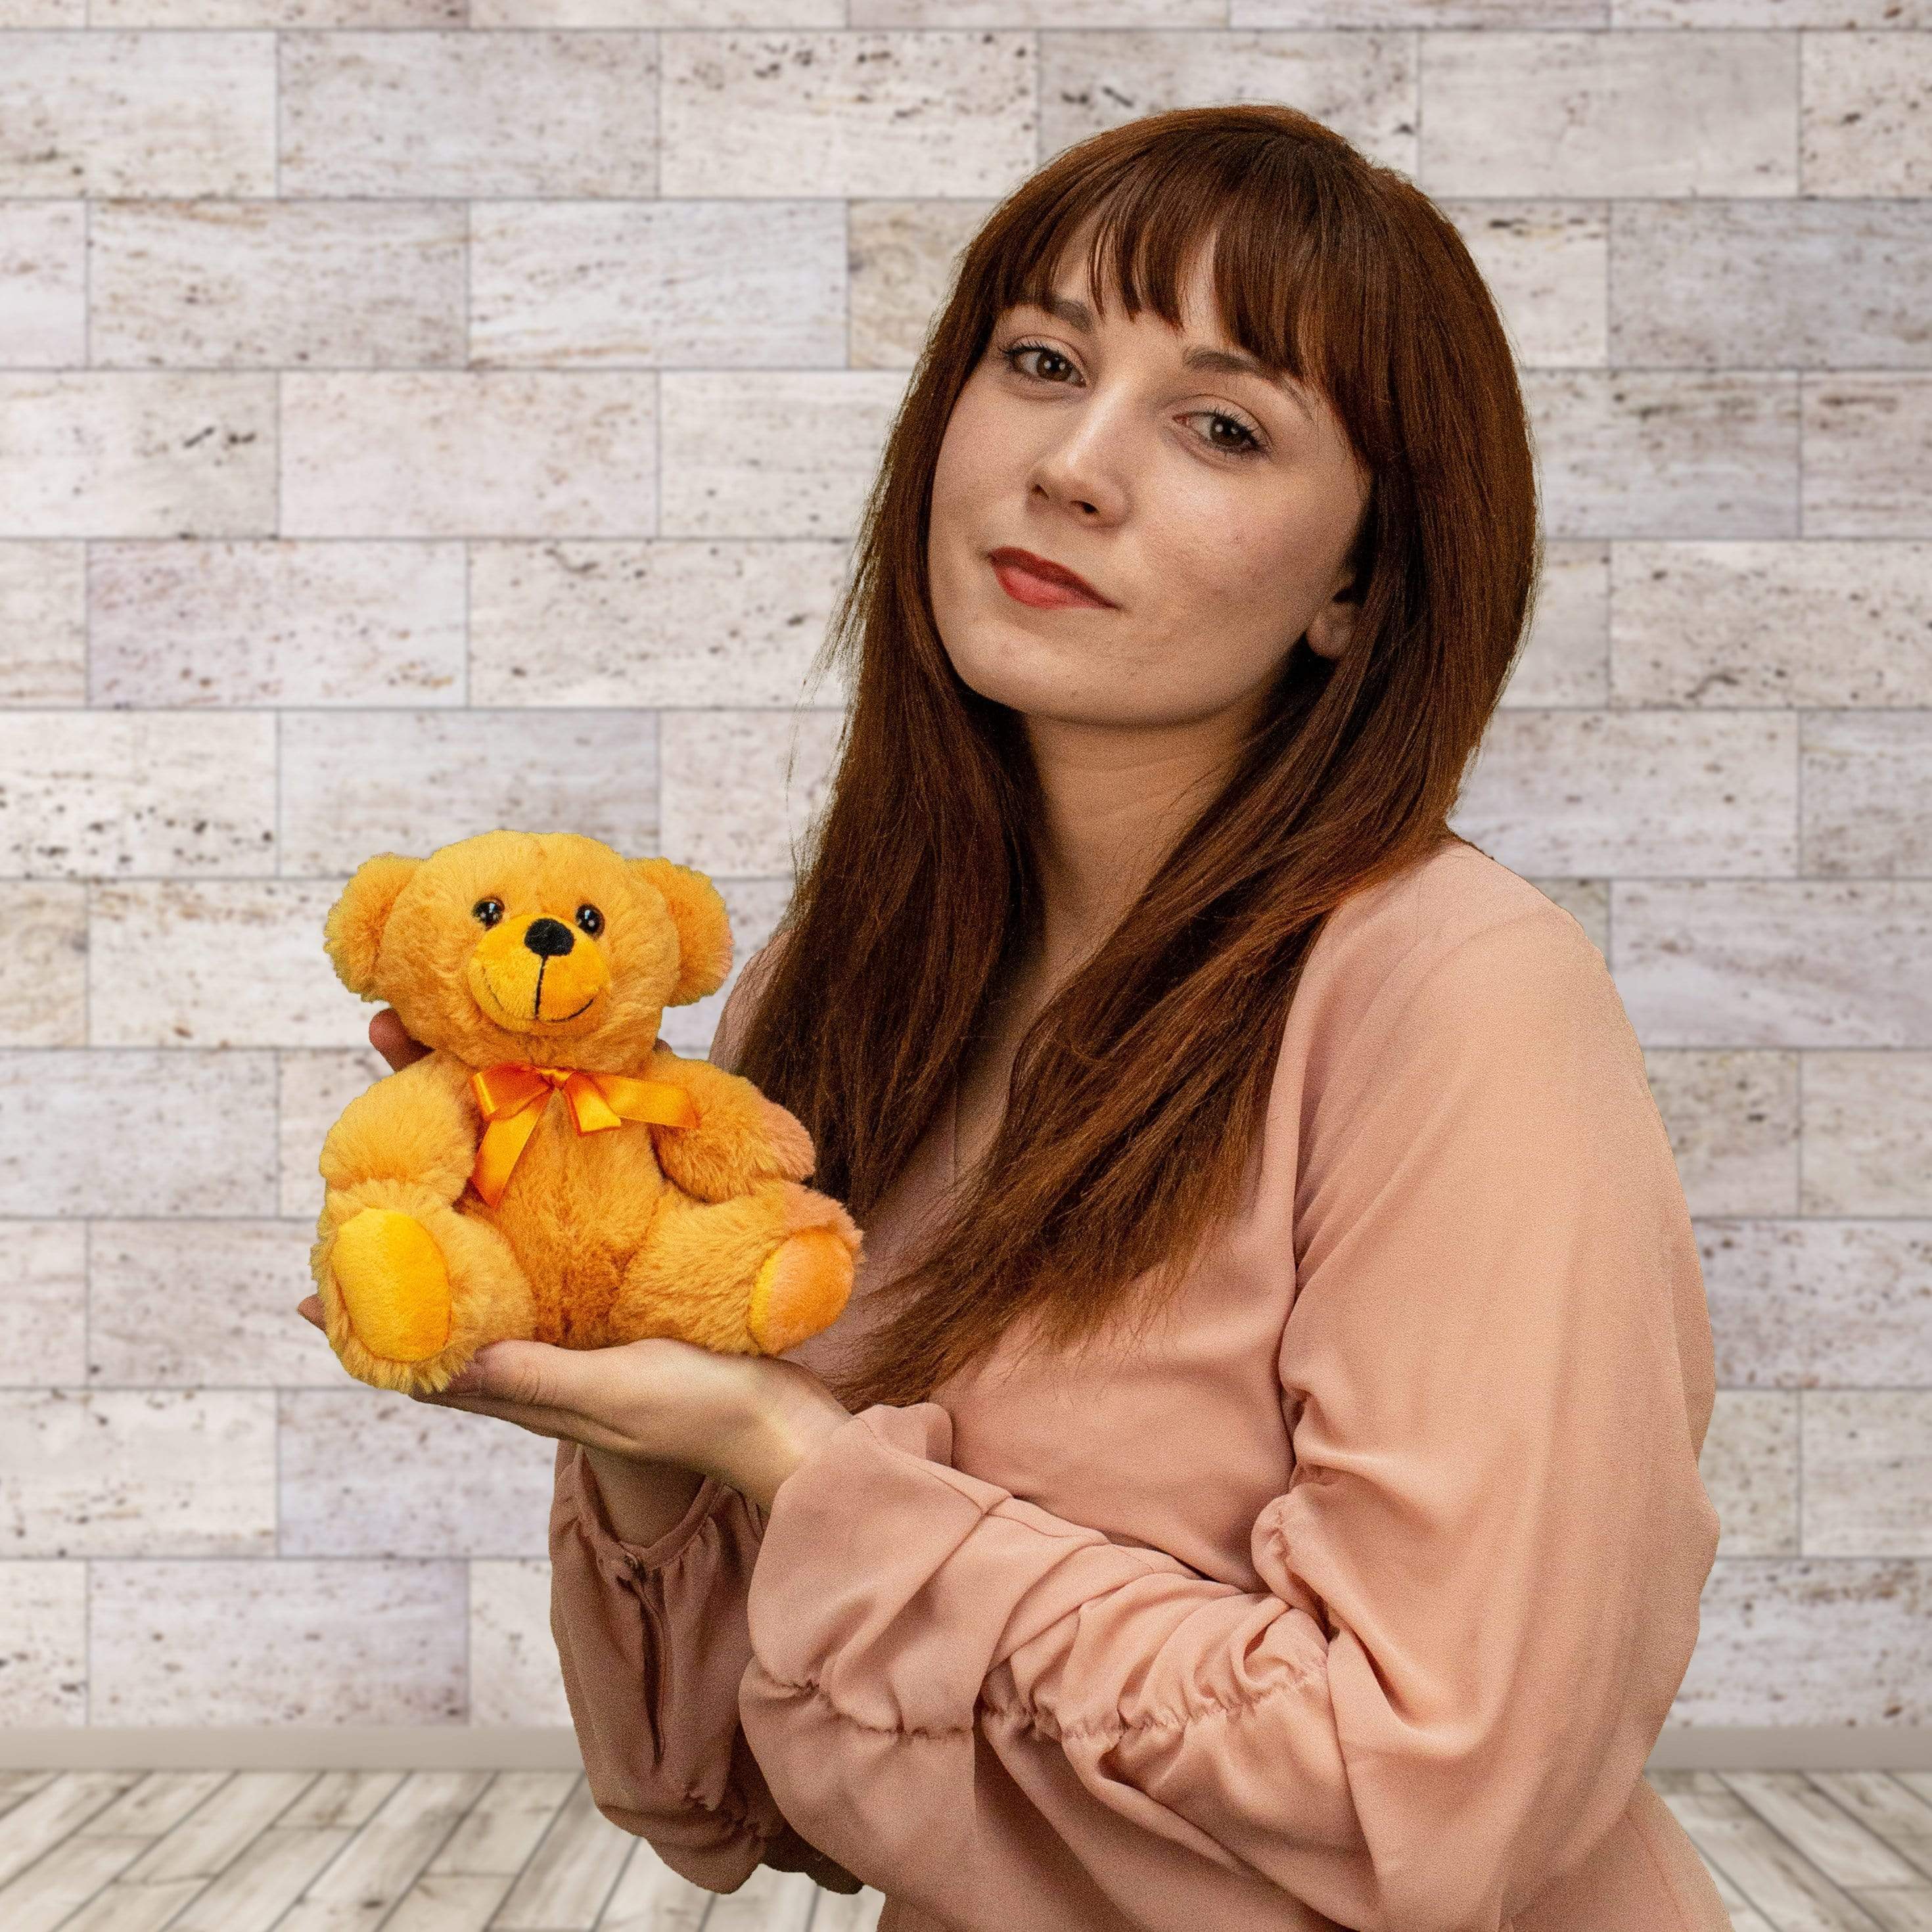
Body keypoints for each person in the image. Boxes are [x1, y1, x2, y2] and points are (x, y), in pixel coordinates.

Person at [304, 104, 1732, 1931]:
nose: (1071, 465)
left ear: (1360, 584)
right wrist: (634, 1407)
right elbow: (719, 1791)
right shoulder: (864, 963)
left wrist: (799, 1461)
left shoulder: (1458, 996)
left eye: (1218, 425)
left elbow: (1424, 1802)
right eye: (1040, 360)